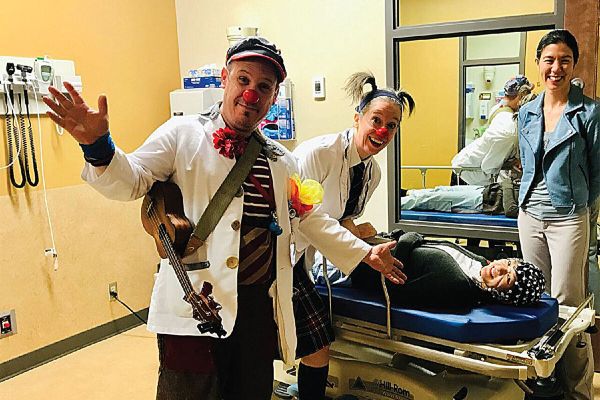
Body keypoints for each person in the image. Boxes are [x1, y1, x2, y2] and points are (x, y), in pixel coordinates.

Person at [42, 37, 405, 400]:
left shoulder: (281, 161)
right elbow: (133, 180)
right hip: (195, 303)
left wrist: (363, 253)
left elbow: (309, 219)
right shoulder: (182, 134)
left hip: (258, 308)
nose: (251, 93)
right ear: (224, 79)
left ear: (274, 97)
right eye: (243, 80)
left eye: (263, 86)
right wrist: (98, 147)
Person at [288, 72, 415, 400]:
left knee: (315, 344)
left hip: (308, 257)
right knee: (315, 344)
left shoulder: (373, 173)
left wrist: (365, 237)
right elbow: (305, 218)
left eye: (392, 125)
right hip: (282, 255)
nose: (382, 131)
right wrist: (363, 251)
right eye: (376, 120)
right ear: (358, 117)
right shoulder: (318, 153)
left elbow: (343, 218)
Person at [517, 29, 599, 400]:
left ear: (574, 65)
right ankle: (542, 386)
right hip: (529, 216)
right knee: (535, 300)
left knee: (568, 307)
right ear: (538, 63)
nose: (556, 68)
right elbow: (526, 163)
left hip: (569, 217)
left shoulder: (590, 112)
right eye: (549, 59)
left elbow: (597, 173)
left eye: (564, 60)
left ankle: (578, 391)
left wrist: (580, 205)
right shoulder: (526, 111)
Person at [348, 231, 546, 308]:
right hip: (366, 248)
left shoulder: (458, 288)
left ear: (505, 295)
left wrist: (408, 239)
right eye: (509, 264)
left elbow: (396, 292)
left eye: (508, 278)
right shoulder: (478, 262)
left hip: (353, 270)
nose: (502, 269)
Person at [451, 75, 534, 186]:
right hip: (466, 174)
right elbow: (489, 167)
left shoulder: (501, 108)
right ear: (520, 97)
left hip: (467, 165)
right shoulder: (508, 130)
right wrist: (512, 162)